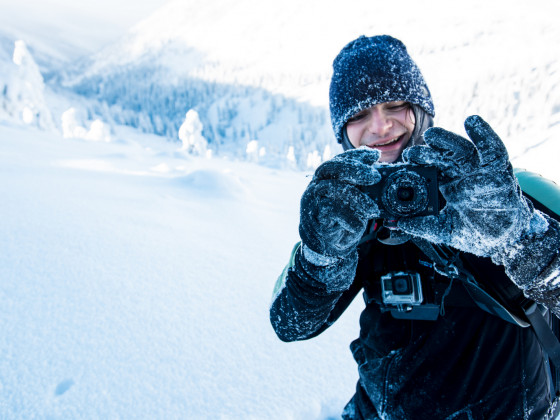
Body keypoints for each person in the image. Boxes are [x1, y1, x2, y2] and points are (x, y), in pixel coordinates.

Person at [269, 35, 560, 419]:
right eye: (358, 115)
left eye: (395, 105)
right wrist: (321, 257)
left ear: (422, 111)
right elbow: (290, 322)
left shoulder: (499, 193)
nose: (380, 125)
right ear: (343, 133)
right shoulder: (348, 216)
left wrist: (520, 238)